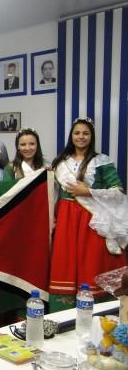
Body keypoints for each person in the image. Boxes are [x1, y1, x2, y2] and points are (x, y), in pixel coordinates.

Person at [49, 117, 128, 311]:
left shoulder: (101, 161)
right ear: (71, 136)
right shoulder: (60, 161)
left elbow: (118, 191)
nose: (81, 137)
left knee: (89, 261)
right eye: (77, 133)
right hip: (66, 217)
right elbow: (52, 192)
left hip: (91, 219)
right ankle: (63, 311)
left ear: (91, 136)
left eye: (85, 133)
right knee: (66, 262)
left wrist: (89, 192)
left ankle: (96, 309)